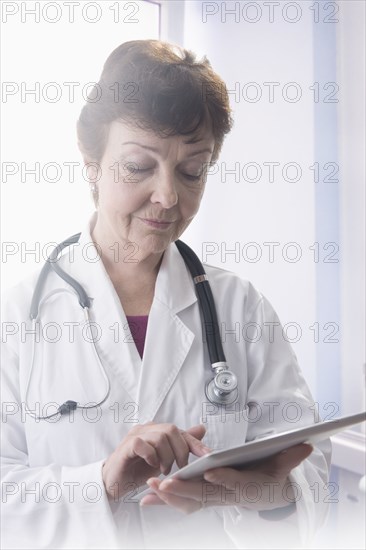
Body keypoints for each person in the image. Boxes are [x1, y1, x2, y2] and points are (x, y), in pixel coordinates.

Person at [1, 40, 331, 549]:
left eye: (192, 171)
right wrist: (103, 484)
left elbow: (310, 469)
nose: (168, 196)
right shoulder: (17, 317)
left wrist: (275, 498)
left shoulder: (240, 308)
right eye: (138, 166)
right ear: (91, 160)